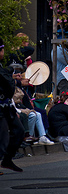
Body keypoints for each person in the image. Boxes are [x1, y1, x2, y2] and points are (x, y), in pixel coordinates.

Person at [0, 38, 27, 173]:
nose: (3, 52)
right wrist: (17, 81)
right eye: (2, 50)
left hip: (6, 107)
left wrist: (15, 79)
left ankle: (7, 160)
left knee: (19, 131)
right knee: (3, 137)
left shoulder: (1, 68)